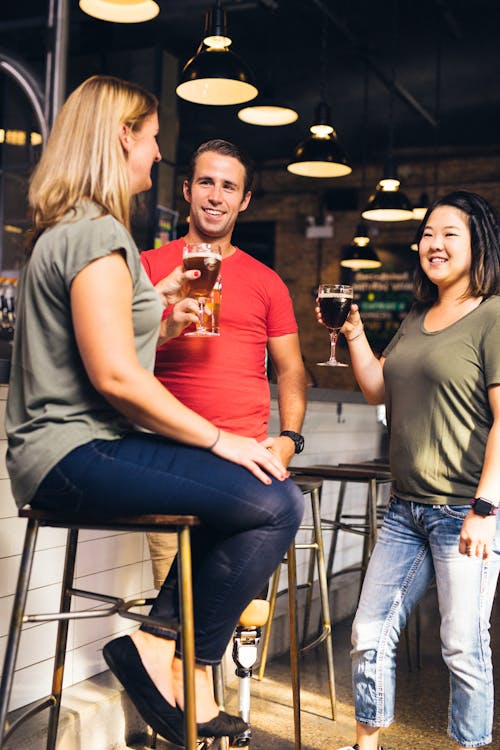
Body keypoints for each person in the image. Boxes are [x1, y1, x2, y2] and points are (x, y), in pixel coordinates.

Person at [5, 75, 304, 746]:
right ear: (123, 137)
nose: (158, 154)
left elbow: (114, 346)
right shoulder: (98, 232)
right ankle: (162, 645)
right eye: (154, 138)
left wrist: (159, 313)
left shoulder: (82, 227)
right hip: (73, 452)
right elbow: (114, 376)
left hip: (68, 452)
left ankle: (171, 654)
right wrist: (222, 440)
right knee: (276, 501)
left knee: (262, 499)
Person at [333, 190, 500, 750]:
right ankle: (366, 743)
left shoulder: (495, 315)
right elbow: (379, 386)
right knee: (368, 632)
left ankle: (470, 745)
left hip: (464, 511)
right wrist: (354, 331)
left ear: (477, 243)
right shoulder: (415, 315)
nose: (434, 243)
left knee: (462, 644)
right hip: (406, 509)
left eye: (450, 233)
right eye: (428, 233)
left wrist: (485, 508)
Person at [141, 138, 307, 587]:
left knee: (241, 609)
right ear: (187, 190)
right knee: (177, 604)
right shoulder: (147, 266)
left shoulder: (267, 282)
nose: (216, 196)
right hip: (167, 454)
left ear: (244, 199)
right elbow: (116, 358)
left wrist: (290, 438)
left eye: (229, 187)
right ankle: (171, 656)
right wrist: (166, 327)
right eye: (207, 183)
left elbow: (291, 369)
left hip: (246, 458)